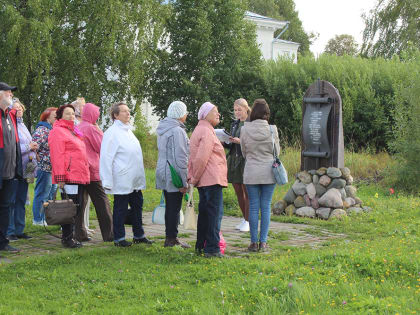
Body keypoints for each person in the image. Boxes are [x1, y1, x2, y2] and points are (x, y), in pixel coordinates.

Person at [100, 102, 152, 247]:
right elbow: (106, 158)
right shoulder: (112, 133)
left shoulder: (128, 131)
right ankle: (119, 238)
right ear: (115, 115)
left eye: (128, 111)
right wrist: (107, 180)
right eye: (124, 111)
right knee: (121, 209)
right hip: (122, 178)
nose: (128, 113)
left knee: (137, 206)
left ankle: (139, 234)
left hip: (134, 179)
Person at [188, 102, 227, 258]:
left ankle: (201, 246)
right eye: (215, 111)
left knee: (205, 214)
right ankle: (212, 249)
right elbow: (201, 158)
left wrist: (194, 178)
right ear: (205, 114)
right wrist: (194, 178)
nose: (218, 114)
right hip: (211, 179)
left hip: (205, 179)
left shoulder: (201, 129)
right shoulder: (206, 131)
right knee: (213, 215)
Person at [240, 99, 280, 252]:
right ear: (267, 114)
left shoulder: (245, 129)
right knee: (266, 206)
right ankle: (263, 242)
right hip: (268, 171)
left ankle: (253, 243)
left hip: (251, 171)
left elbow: (244, 151)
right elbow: (277, 151)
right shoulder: (272, 130)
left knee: (253, 206)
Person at [48, 104, 90, 248]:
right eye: (67, 114)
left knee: (75, 207)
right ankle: (67, 238)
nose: (71, 116)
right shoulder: (58, 131)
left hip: (78, 175)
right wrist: (60, 177)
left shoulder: (73, 131)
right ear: (60, 116)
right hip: (68, 176)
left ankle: (70, 236)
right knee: (68, 208)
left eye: (73, 113)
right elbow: (57, 155)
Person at [156, 101, 190, 248]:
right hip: (174, 173)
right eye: (185, 112)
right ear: (180, 114)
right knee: (174, 207)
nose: (186, 115)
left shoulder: (163, 128)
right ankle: (171, 238)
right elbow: (180, 157)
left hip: (164, 170)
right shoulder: (177, 131)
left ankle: (169, 236)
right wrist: (184, 182)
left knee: (170, 205)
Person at [77, 102, 113, 242]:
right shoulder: (92, 128)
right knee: (102, 203)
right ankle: (109, 234)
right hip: (92, 170)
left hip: (79, 170)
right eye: (97, 114)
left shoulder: (78, 126)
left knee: (80, 203)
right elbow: (102, 147)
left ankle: (79, 233)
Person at [7, 100, 37, 241]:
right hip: (15, 167)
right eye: (15, 108)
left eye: (20, 108)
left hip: (28, 167)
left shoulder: (23, 125)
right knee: (11, 200)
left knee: (22, 199)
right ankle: (10, 231)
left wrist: (34, 147)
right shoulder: (10, 124)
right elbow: (11, 148)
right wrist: (29, 147)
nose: (18, 110)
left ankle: (20, 229)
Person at [0, 82, 22, 253]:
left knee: (5, 207)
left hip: (9, 172)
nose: (10, 94)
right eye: (7, 92)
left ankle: (3, 241)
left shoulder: (10, 116)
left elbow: (14, 144)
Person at [224, 98, 250, 232]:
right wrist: (223, 140)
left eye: (239, 109)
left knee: (247, 192)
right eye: (235, 110)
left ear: (246, 108)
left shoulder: (251, 123)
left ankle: (248, 220)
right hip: (233, 159)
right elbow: (230, 144)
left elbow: (252, 143)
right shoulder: (234, 124)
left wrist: (241, 141)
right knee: (238, 191)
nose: (237, 112)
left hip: (245, 160)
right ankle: (245, 218)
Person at [31, 107, 57, 226]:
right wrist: (39, 159)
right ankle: (38, 220)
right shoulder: (42, 130)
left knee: (50, 194)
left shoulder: (52, 129)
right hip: (44, 167)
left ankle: (46, 218)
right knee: (42, 193)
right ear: (47, 116)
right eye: (54, 115)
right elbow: (34, 146)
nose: (56, 117)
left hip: (52, 168)